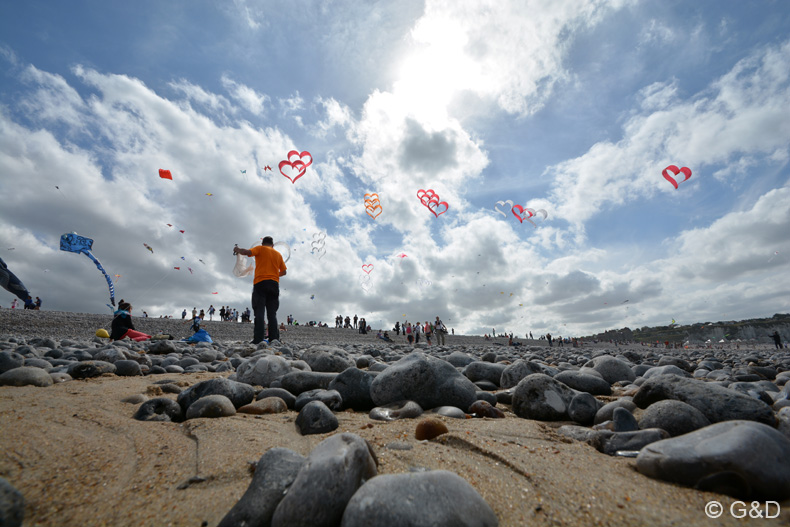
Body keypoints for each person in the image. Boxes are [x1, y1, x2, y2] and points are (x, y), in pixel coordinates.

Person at [234, 236, 287, 344]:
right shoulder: (278, 254)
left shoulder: (260, 248)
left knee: (259, 311)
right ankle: (274, 339)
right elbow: (284, 272)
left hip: (260, 283)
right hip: (274, 284)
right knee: (272, 313)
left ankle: (258, 339)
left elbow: (247, 252)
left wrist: (238, 250)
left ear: (263, 243)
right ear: (272, 245)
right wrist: (273, 274)